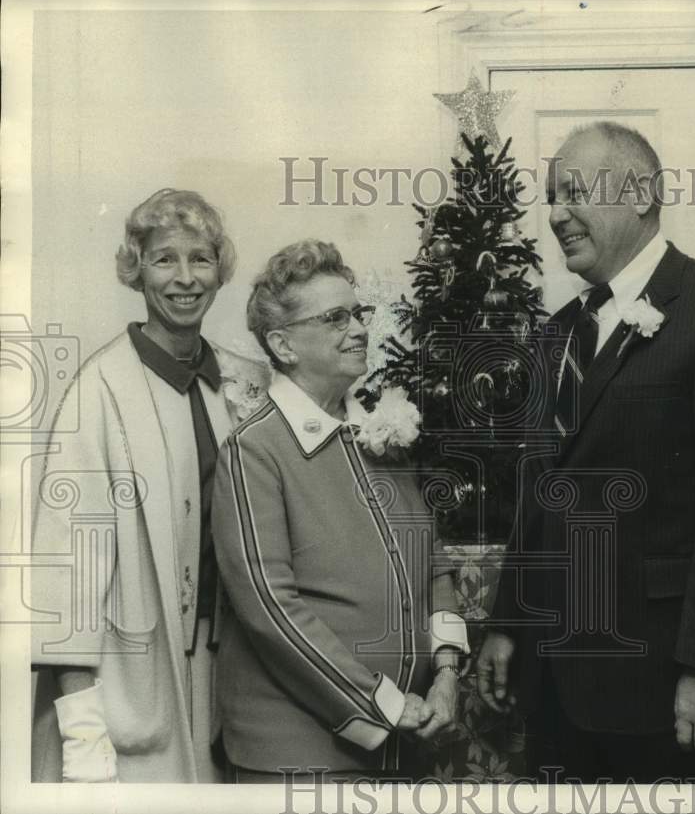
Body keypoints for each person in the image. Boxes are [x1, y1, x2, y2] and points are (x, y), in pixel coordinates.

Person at [476, 122, 695, 783]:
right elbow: (540, 497)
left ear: (642, 193)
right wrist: (507, 623)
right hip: (556, 684)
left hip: (667, 692)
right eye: (552, 197)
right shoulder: (558, 335)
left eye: (575, 192)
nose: (556, 214)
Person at [30, 188, 268, 782]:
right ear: (137, 270)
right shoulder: (98, 391)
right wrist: (82, 729)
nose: (185, 278)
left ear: (220, 270)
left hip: (232, 672)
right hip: (129, 680)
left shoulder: (245, 382)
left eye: (201, 259)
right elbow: (69, 566)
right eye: (165, 259)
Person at [211, 239, 470, 782]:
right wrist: (385, 703)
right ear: (283, 344)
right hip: (300, 757)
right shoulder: (254, 451)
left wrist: (447, 670)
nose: (358, 329)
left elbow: (436, 566)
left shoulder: (383, 436)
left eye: (358, 313)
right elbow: (271, 612)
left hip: (403, 752)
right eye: (335, 318)